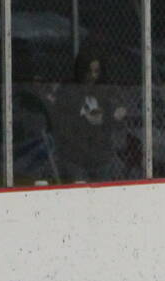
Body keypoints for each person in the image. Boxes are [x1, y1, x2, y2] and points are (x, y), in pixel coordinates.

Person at [49, 48, 122, 182]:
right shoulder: (68, 91)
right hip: (75, 158)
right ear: (81, 71)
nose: (93, 76)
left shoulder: (104, 91)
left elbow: (117, 114)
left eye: (96, 71)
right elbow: (62, 121)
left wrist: (111, 116)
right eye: (89, 71)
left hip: (100, 157)